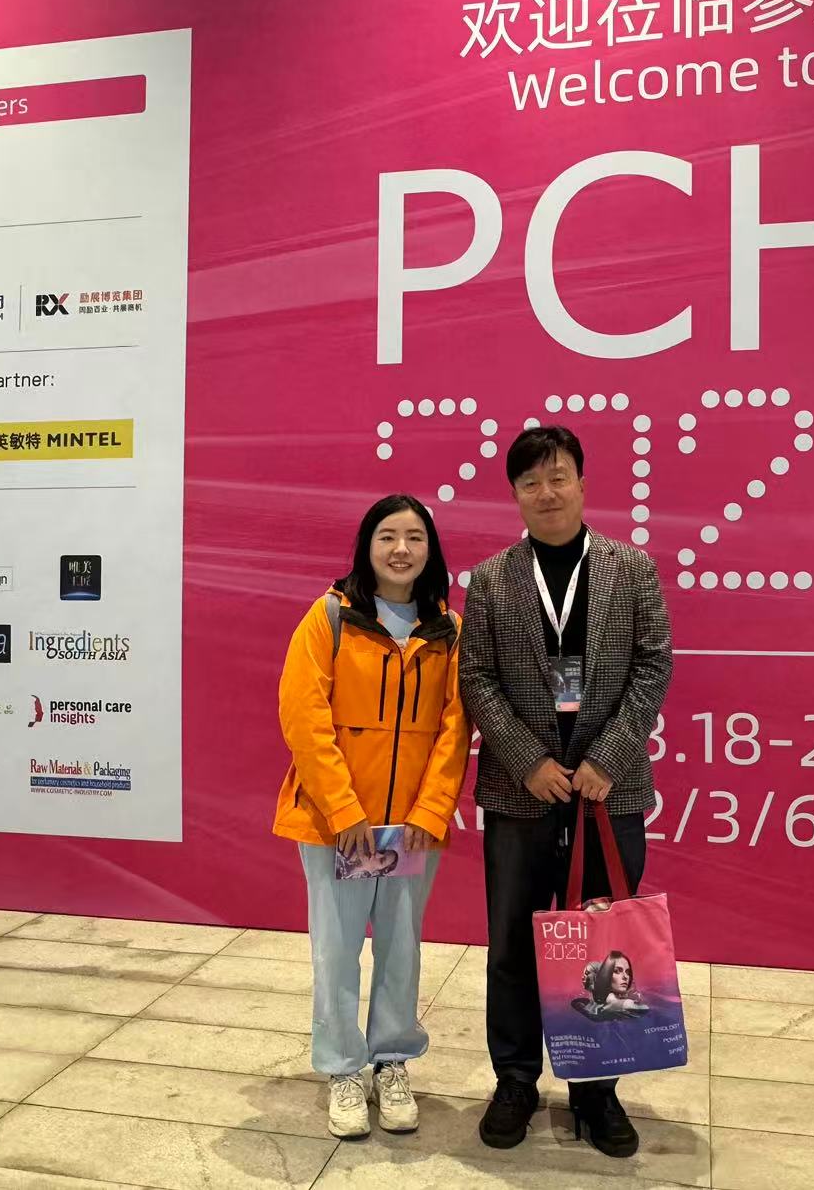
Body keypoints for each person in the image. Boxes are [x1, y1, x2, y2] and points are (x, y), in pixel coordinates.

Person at [460, 425, 673, 1158]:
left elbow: (654, 666)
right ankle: (515, 1081)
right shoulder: (491, 579)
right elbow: (476, 678)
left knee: (604, 947)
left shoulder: (632, 568)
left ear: (582, 482)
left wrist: (607, 758)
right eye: (530, 482)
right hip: (521, 793)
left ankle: (597, 1089)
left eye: (558, 478)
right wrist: (527, 761)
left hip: (608, 794)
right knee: (513, 944)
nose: (546, 493)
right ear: (515, 494)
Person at [274, 494, 469, 1141]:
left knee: (401, 948)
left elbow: (455, 728)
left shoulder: (448, 630)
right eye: (387, 536)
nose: (401, 549)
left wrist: (431, 809)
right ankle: (342, 1068)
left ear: (431, 551)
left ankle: (391, 1061)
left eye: (415, 537)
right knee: (336, 951)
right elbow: (304, 716)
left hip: (409, 827)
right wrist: (343, 809)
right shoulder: (330, 617)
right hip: (338, 824)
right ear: (366, 546)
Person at [574, 950, 651, 1020]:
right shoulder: (613, 1000)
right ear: (606, 974)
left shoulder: (589, 1003)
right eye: (617, 971)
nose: (625, 976)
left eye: (628, 972)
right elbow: (641, 1008)